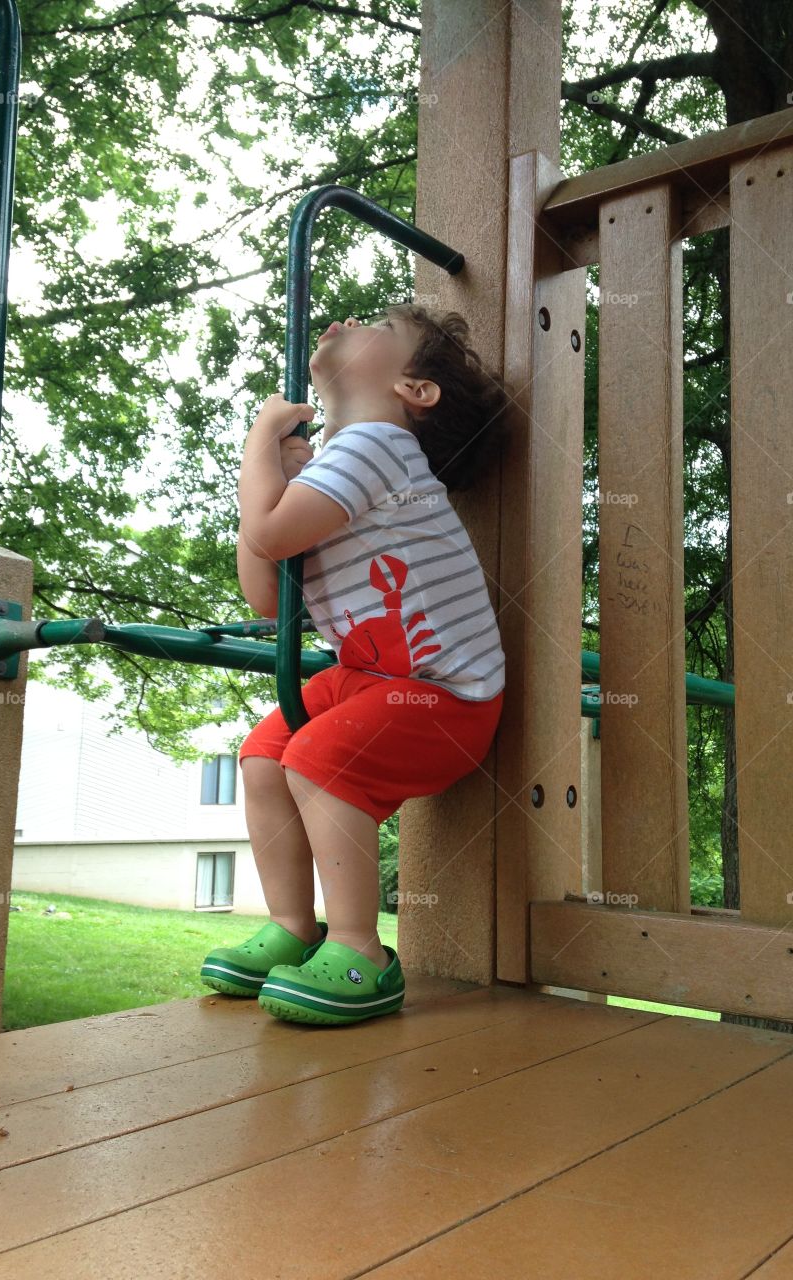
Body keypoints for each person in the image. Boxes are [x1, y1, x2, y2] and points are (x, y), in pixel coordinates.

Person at [201, 302, 512, 1025]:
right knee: (265, 752)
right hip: (373, 678)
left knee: (313, 755)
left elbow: (272, 535)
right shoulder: (346, 463)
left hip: (445, 693)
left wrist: (256, 447)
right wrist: (273, 478)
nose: (344, 320)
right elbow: (267, 598)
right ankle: (292, 925)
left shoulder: (376, 445)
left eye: (380, 325)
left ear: (416, 389)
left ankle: (361, 950)